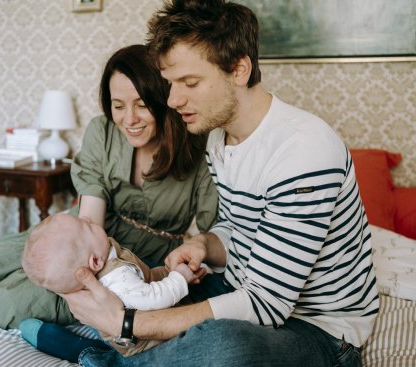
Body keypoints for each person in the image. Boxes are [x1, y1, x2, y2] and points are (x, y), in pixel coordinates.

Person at [60, 1, 380, 366]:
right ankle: (114, 350)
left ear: (239, 69)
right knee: (144, 282)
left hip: (318, 330)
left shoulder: (303, 151)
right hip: (239, 286)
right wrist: (204, 244)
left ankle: (110, 358)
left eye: (189, 83)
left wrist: (129, 322)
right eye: (170, 84)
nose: (172, 100)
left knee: (226, 346)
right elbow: (237, 230)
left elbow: (267, 304)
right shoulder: (218, 138)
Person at [20, 43, 219, 360]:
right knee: (27, 270)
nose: (129, 119)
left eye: (142, 105)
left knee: (38, 301)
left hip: (144, 255)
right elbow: (89, 222)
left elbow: (214, 231)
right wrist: (88, 266)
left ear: (162, 100)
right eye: (118, 106)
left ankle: (88, 349)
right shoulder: (102, 131)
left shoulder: (199, 146)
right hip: (92, 242)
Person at [21, 213, 195, 362]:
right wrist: (180, 278)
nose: (88, 218)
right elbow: (155, 298)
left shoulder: (103, 255)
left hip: (128, 321)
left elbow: (144, 278)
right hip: (151, 346)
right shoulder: (118, 279)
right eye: (87, 226)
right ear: (95, 261)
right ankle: (93, 355)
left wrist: (166, 272)